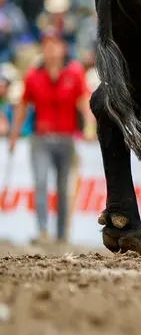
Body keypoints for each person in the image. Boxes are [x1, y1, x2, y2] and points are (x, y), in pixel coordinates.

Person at [6, 32, 93, 244]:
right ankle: (43, 231)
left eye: (55, 44)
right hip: (41, 137)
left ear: (63, 48)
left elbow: (84, 101)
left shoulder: (74, 72)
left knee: (64, 188)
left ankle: (62, 234)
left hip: (66, 137)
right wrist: (14, 135)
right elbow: (23, 105)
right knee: (41, 183)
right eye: (47, 45)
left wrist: (90, 127)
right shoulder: (33, 74)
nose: (51, 49)